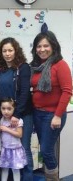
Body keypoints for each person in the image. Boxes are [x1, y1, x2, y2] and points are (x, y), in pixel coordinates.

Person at [30, 30, 72, 180]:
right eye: (39, 46)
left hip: (52, 115)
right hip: (37, 113)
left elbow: (67, 91)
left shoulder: (60, 65)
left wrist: (57, 115)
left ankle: (52, 178)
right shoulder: (35, 66)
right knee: (44, 147)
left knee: (47, 150)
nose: (42, 49)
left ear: (53, 46)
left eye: (46, 46)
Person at [0, 37, 33, 180]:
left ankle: (26, 177)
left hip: (21, 114)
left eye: (10, 50)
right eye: (4, 51)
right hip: (4, 115)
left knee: (24, 148)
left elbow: (24, 92)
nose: (7, 53)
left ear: (16, 51)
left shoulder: (23, 67)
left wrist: (17, 113)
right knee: (6, 147)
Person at [0, 98, 27, 181]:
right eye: (3, 109)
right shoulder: (2, 119)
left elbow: (19, 134)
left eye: (9, 109)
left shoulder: (18, 121)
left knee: (15, 170)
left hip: (15, 149)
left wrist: (6, 129)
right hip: (5, 149)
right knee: (4, 169)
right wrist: (0, 129)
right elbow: (1, 132)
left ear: (14, 109)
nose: (6, 111)